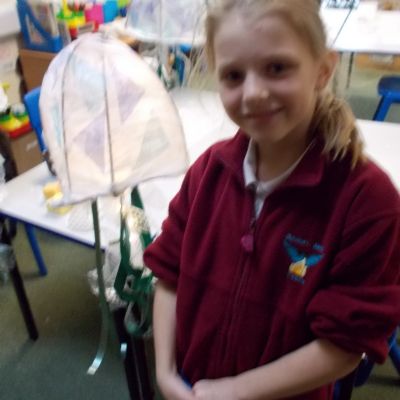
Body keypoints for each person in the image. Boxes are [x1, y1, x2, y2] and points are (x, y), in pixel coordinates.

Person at [143, 1, 400, 399]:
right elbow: (169, 276)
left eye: (277, 68)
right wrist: (165, 372)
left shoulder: (367, 202)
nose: (254, 93)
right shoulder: (208, 172)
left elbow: (346, 344)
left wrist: (235, 392)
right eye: (233, 75)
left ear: (323, 69)